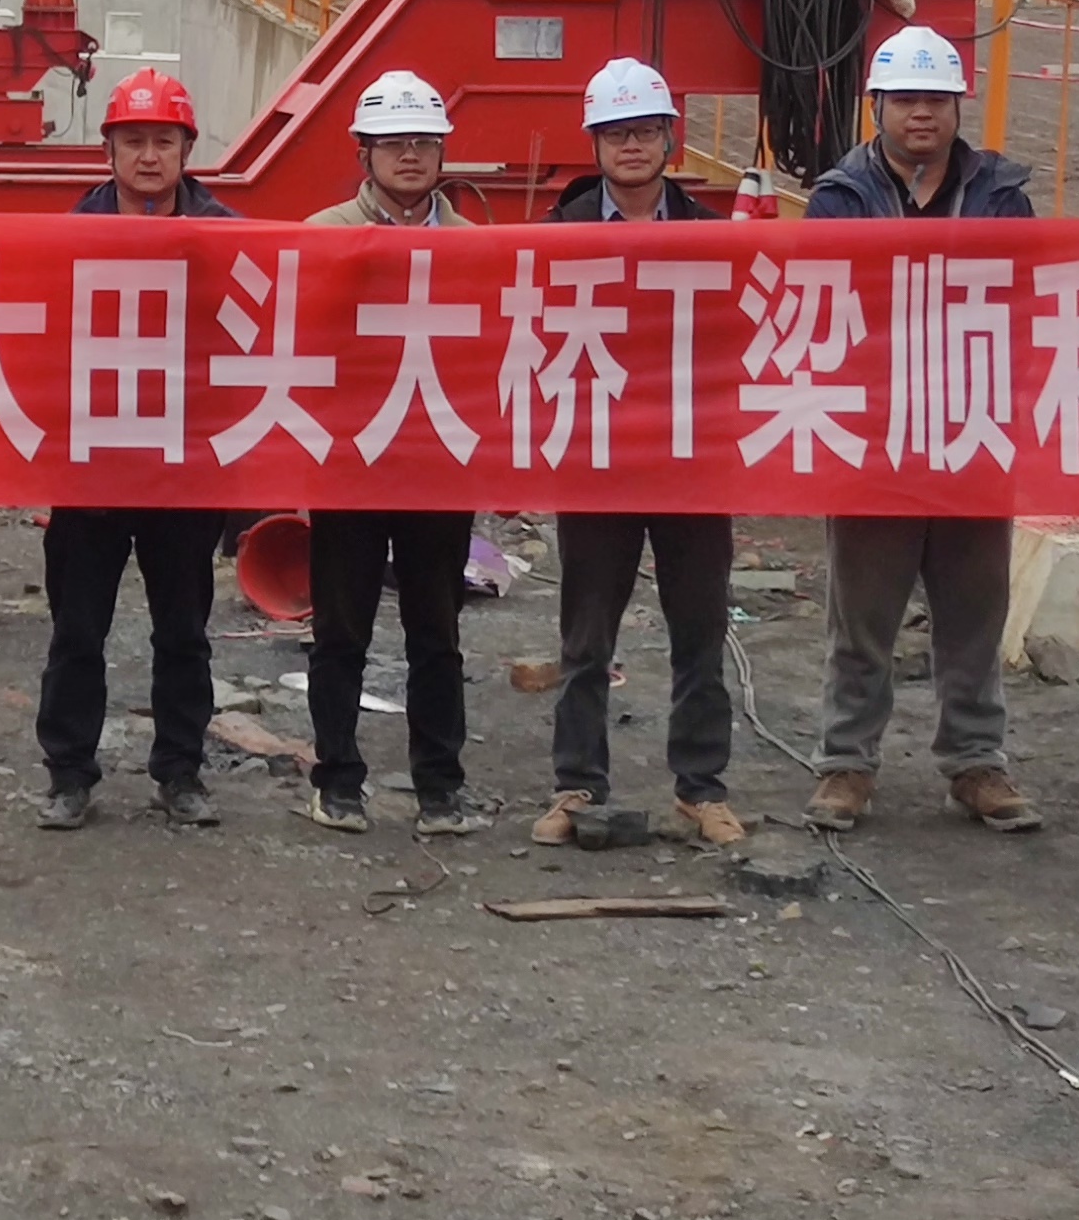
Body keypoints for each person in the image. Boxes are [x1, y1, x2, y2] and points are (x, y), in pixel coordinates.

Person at [801, 23, 1046, 834]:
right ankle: (846, 764)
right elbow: (828, 310)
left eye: (936, 100)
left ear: (957, 108)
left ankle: (976, 761)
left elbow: (1026, 303)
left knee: (974, 612)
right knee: (862, 617)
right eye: (906, 99)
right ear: (877, 106)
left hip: (973, 429)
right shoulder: (840, 198)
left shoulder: (1002, 195)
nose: (922, 115)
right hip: (875, 437)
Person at [532, 56, 743, 851]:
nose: (631, 145)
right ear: (594, 142)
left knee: (700, 632)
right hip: (597, 461)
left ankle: (701, 788)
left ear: (669, 140)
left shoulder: (714, 240)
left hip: (691, 461)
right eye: (616, 132)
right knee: (586, 639)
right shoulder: (558, 239)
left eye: (645, 131)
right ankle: (577, 783)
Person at [36, 67, 236, 830]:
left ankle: (180, 772)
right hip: (91, 463)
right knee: (76, 630)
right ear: (109, 151)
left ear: (187, 150)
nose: (149, 157)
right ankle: (69, 774)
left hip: (183, 468)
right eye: (134, 141)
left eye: (163, 141)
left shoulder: (227, 238)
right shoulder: (67, 239)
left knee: (183, 632)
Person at [295, 69, 484, 835]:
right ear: (364, 152)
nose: (411, 155)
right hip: (350, 465)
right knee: (341, 632)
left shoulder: (477, 249)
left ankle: (440, 788)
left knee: (436, 633)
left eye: (425, 143)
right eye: (394, 143)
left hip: (438, 466)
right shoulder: (322, 236)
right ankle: (337, 780)